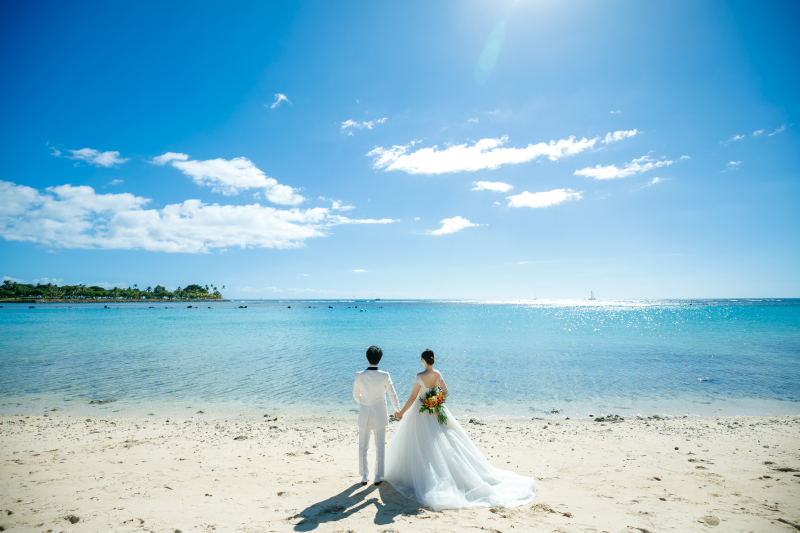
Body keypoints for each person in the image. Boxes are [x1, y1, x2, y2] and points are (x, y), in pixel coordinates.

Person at [385, 349, 537, 511]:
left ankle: (421, 476)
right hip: (436, 411)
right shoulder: (438, 374)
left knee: (421, 443)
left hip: (421, 413)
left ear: (423, 360)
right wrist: (435, 401)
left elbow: (413, 397)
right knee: (443, 440)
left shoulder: (419, 376)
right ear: (432, 360)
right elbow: (445, 392)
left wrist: (401, 413)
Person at [352, 345, 401, 486]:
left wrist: (363, 403)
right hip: (380, 414)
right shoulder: (385, 375)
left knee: (363, 445)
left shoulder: (359, 375)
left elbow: (355, 395)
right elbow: (392, 394)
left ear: (367, 357)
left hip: (364, 413)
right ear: (380, 359)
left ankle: (364, 475)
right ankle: (378, 475)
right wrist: (397, 409)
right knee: (380, 445)